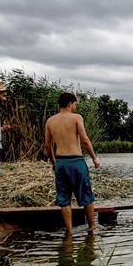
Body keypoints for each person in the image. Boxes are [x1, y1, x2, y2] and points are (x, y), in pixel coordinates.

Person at [44, 92, 100, 234]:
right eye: (75, 104)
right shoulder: (76, 118)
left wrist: (53, 162)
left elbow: (47, 146)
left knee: (64, 198)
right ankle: (92, 227)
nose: (75, 106)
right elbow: (85, 140)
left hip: (61, 162)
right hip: (76, 161)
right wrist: (94, 158)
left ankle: (68, 231)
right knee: (86, 195)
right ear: (70, 104)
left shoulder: (50, 121)